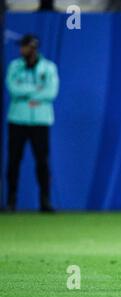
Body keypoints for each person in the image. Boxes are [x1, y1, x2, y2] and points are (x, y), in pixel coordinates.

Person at [5, 34, 59, 212]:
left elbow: (50, 93)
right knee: (14, 161)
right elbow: (13, 89)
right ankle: (11, 201)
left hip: (41, 121)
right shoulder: (15, 66)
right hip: (17, 119)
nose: (22, 50)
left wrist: (26, 94)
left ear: (33, 48)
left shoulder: (48, 67)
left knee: (42, 162)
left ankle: (45, 201)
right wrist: (35, 91)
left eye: (25, 46)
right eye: (21, 46)